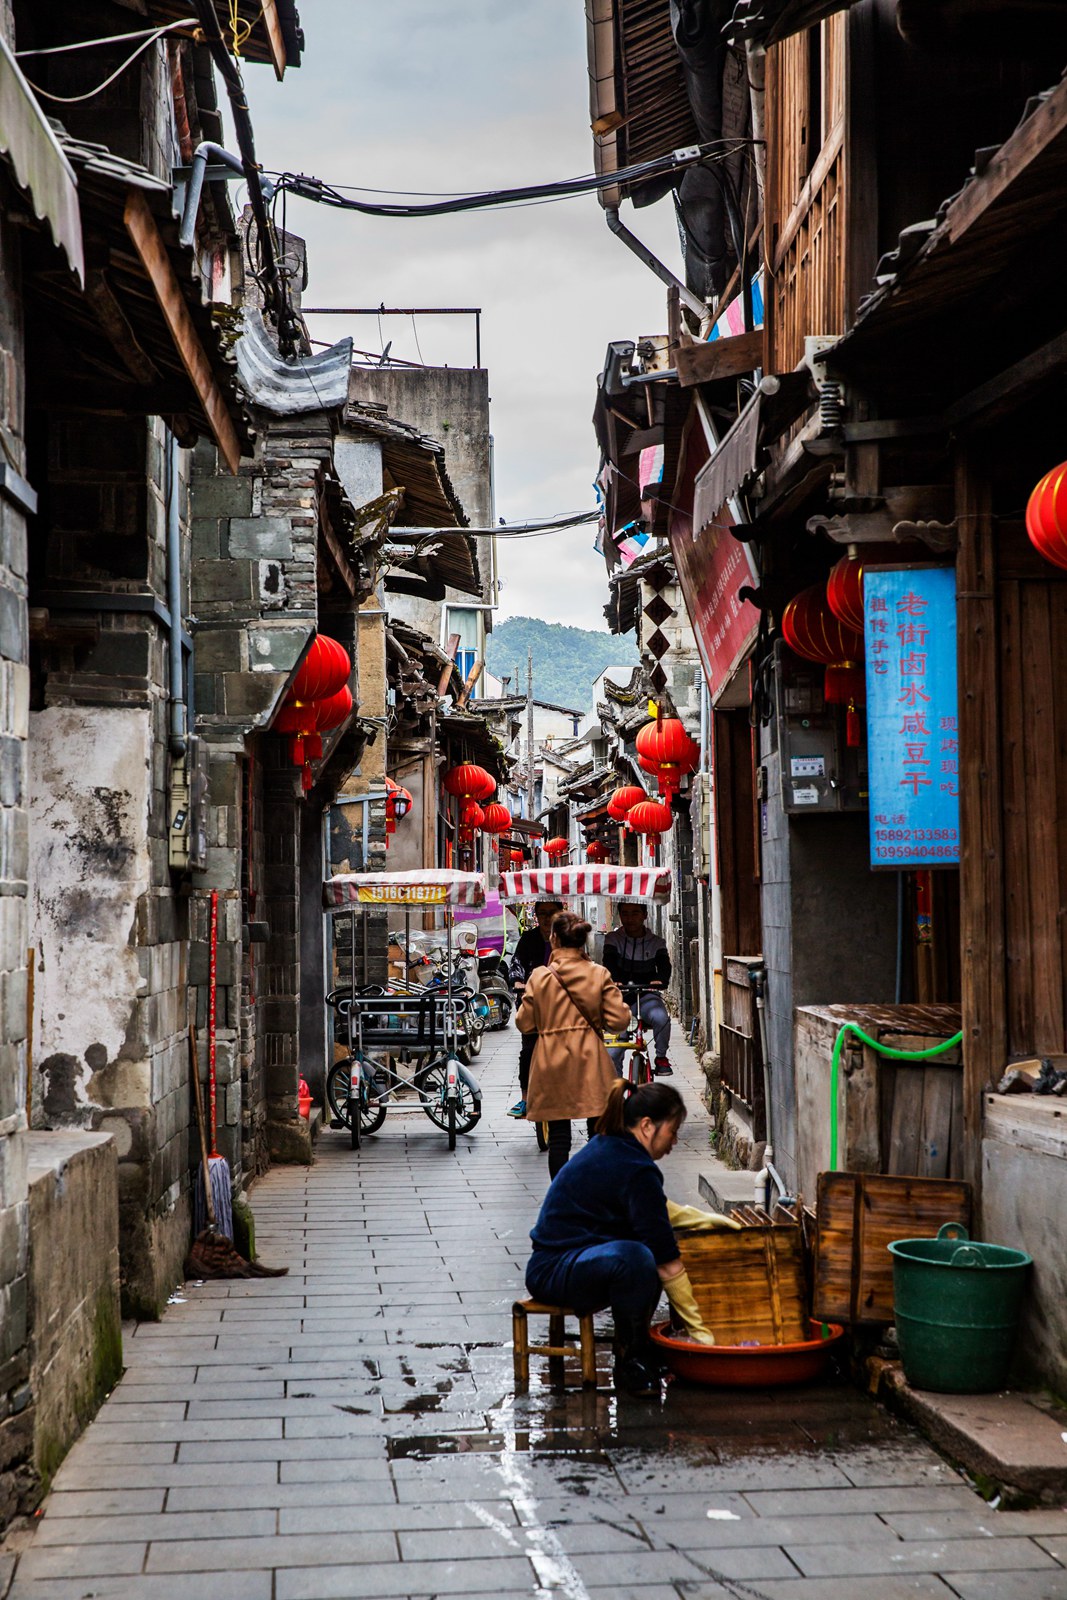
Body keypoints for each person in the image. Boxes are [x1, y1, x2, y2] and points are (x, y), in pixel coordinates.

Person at [525, 1078, 739, 1394]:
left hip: (573, 1263)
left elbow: (659, 1212)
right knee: (639, 1257)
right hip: (554, 1270)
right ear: (648, 1126)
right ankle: (632, 1363)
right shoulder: (631, 1165)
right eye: (673, 1131)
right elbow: (668, 1262)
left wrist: (712, 1222)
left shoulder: (617, 1149)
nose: (675, 1141)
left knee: (643, 1251)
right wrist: (702, 1335)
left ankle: (638, 1349)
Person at [516, 910, 632, 1178]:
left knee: (558, 1138)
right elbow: (619, 1020)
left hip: (551, 1063)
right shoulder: (599, 974)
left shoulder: (540, 977)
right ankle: (594, 1195)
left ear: (554, 939)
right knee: (597, 1134)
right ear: (582, 943)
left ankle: (562, 1196)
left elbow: (524, 1024)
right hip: (591, 1060)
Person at [506, 899, 563, 1119]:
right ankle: (526, 1098)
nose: (547, 918)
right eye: (543, 914)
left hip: (560, 1003)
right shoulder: (529, 938)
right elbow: (517, 963)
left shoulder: (566, 939)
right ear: (536, 916)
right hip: (533, 1001)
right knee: (528, 1049)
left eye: (552, 913)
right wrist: (518, 982)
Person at [602, 901, 674, 1075]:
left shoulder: (657, 942)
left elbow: (664, 966)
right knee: (612, 1054)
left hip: (647, 997)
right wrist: (615, 980)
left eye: (635, 913)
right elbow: (609, 962)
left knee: (661, 1018)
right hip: (620, 1000)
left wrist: (660, 979)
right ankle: (617, 1092)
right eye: (625, 913)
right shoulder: (613, 939)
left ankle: (661, 1057)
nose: (630, 918)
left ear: (644, 915)